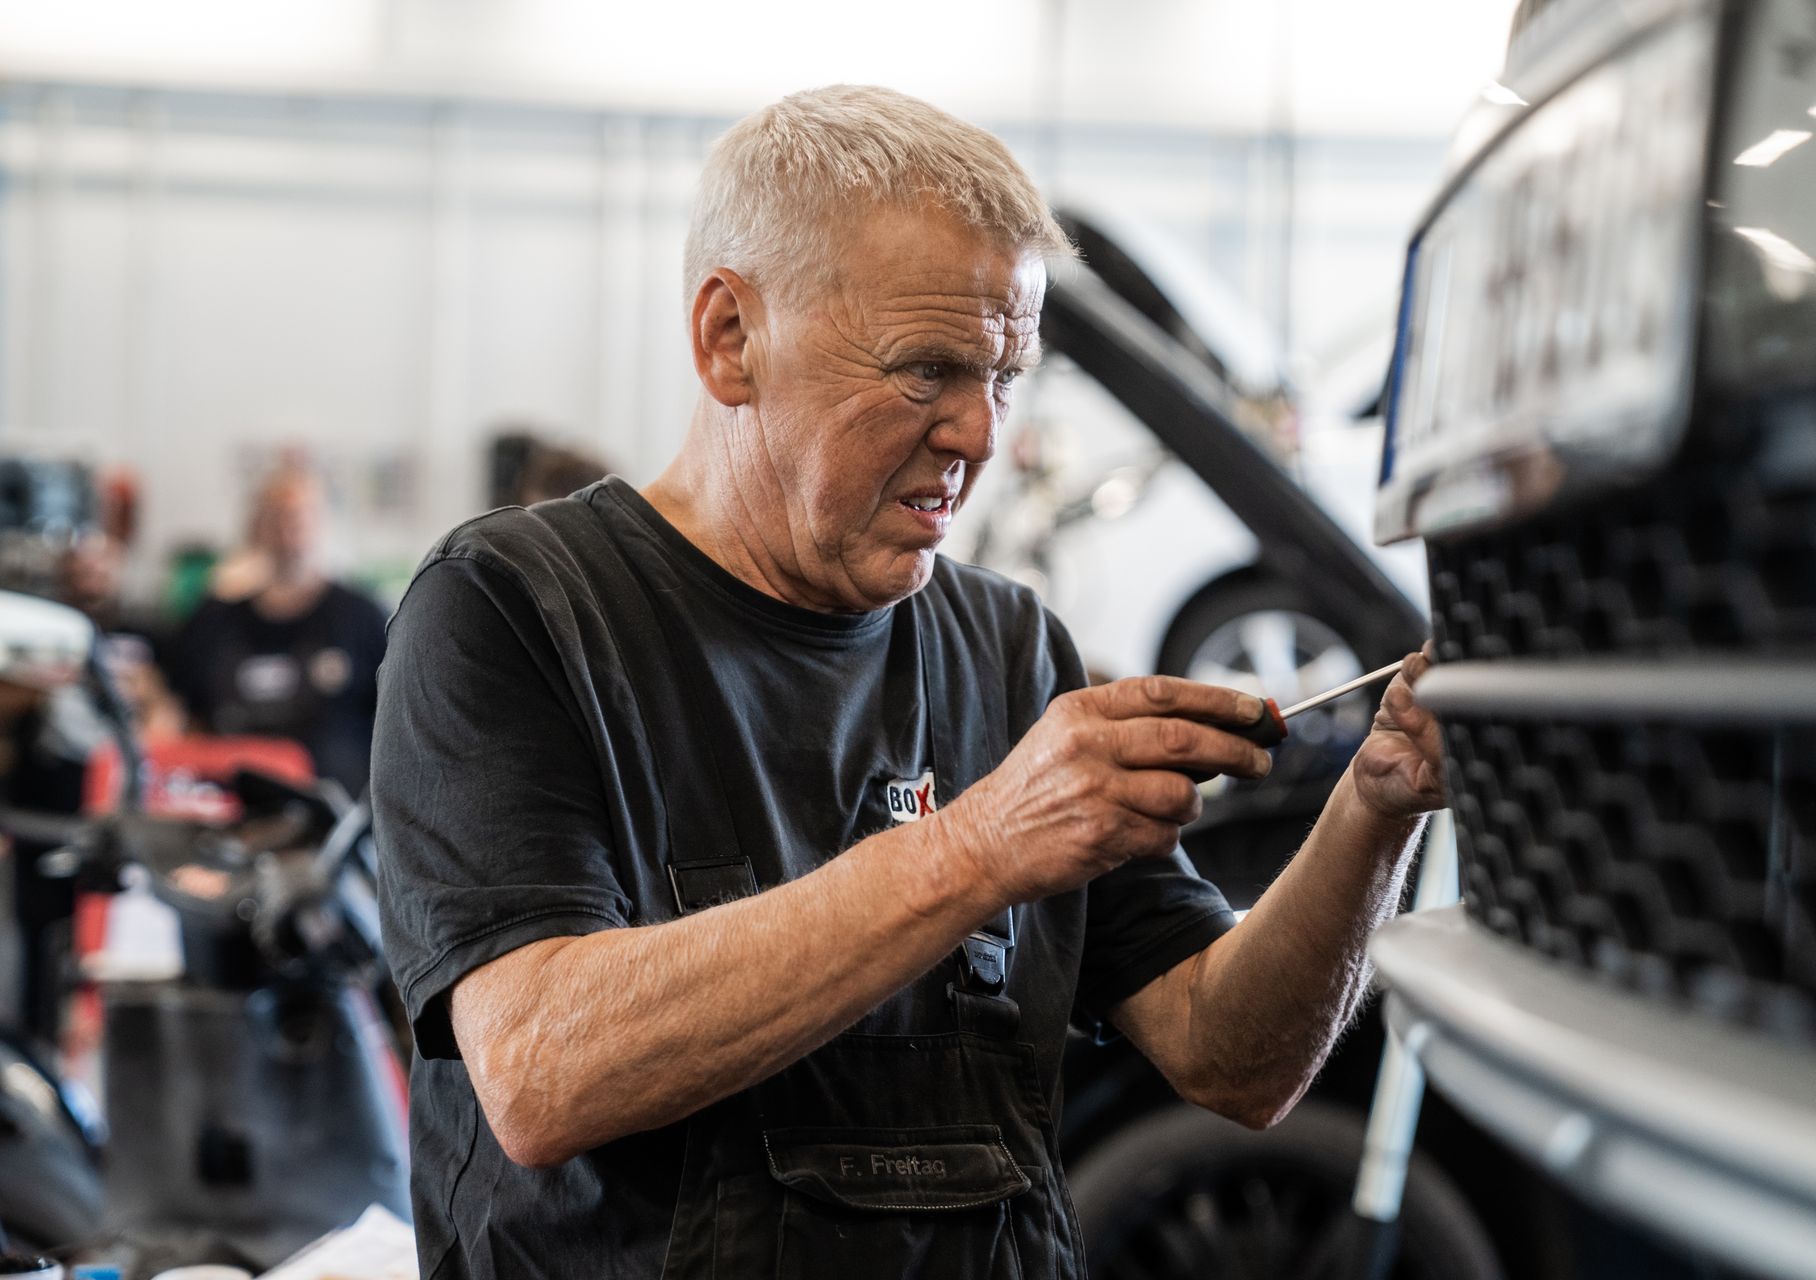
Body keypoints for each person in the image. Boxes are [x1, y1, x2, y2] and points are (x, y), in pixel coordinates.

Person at [372, 85, 1444, 1280]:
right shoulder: (517, 612)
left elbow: (1230, 1054)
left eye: (1005, 375)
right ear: (732, 339)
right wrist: (977, 847)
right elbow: (540, 1069)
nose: (981, 434)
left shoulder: (1009, 651)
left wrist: (1376, 804)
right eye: (928, 370)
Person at [171, 464, 387, 794]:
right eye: (277, 516)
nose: (289, 529)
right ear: (256, 526)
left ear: (323, 522)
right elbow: (177, 712)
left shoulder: (360, 617)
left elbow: (398, 722)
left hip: (331, 813)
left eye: (300, 516)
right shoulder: (214, 620)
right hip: (229, 805)